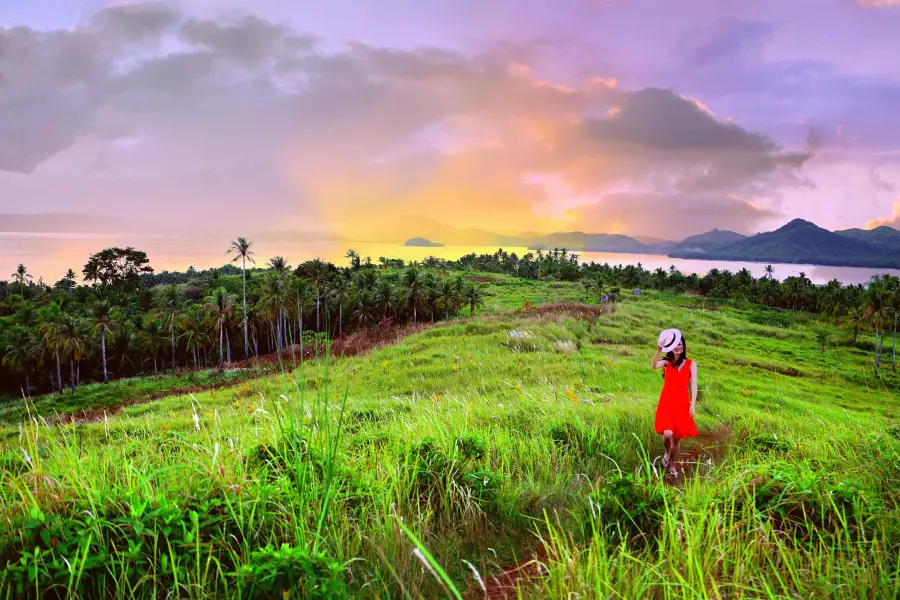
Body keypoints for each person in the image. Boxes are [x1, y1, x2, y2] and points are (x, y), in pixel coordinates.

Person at [650, 328, 698, 478]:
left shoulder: (691, 364)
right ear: (671, 347)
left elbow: (694, 385)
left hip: (682, 403)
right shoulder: (667, 362)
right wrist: (658, 349)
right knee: (667, 434)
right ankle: (666, 451)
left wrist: (693, 404)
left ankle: (672, 465)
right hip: (666, 402)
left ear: (683, 347)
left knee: (676, 438)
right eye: (676, 345)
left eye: (681, 345)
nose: (679, 347)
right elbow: (653, 365)